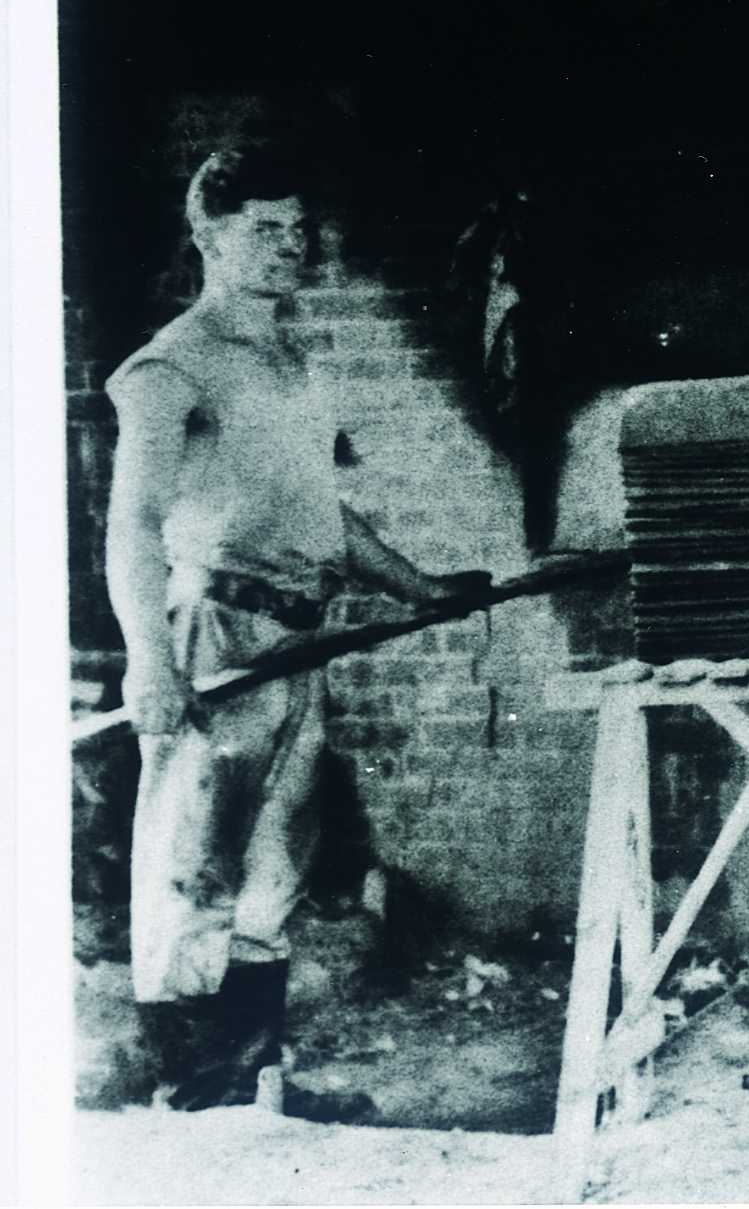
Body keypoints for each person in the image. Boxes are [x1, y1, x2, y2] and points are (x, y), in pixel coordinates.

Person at [104, 142, 479, 1114]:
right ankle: (191, 1092)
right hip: (218, 635)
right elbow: (133, 522)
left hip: (297, 644)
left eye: (300, 229)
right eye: (265, 228)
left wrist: (419, 589)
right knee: (195, 866)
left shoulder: (294, 364)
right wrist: (149, 659)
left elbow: (323, 517)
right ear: (207, 234)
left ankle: (253, 1088)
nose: (290, 246)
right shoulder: (171, 366)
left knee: (275, 869)